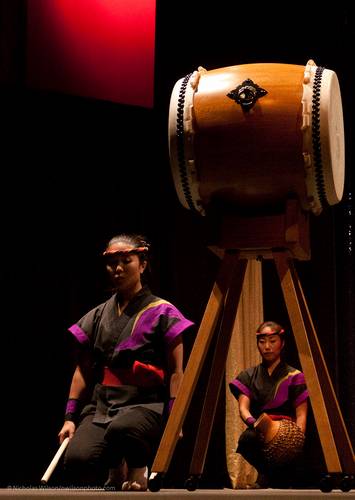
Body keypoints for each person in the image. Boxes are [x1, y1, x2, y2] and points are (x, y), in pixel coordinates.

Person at [58, 233, 194, 491]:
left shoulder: (164, 311)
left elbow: (177, 371)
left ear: (142, 264)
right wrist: (69, 417)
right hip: (104, 405)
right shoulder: (97, 315)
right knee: (77, 459)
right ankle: (116, 465)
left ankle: (138, 466)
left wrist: (177, 416)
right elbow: (82, 370)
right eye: (112, 263)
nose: (118, 268)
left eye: (126, 260)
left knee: (124, 428)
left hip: (145, 404)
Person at [229, 321, 309, 489]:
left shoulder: (295, 375)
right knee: (247, 439)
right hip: (260, 428)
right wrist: (254, 424)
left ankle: (274, 477)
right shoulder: (248, 375)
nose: (267, 346)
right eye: (262, 341)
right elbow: (243, 408)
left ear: (282, 343)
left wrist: (296, 440)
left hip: (286, 430)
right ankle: (266, 474)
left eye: (272, 341)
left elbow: (301, 414)